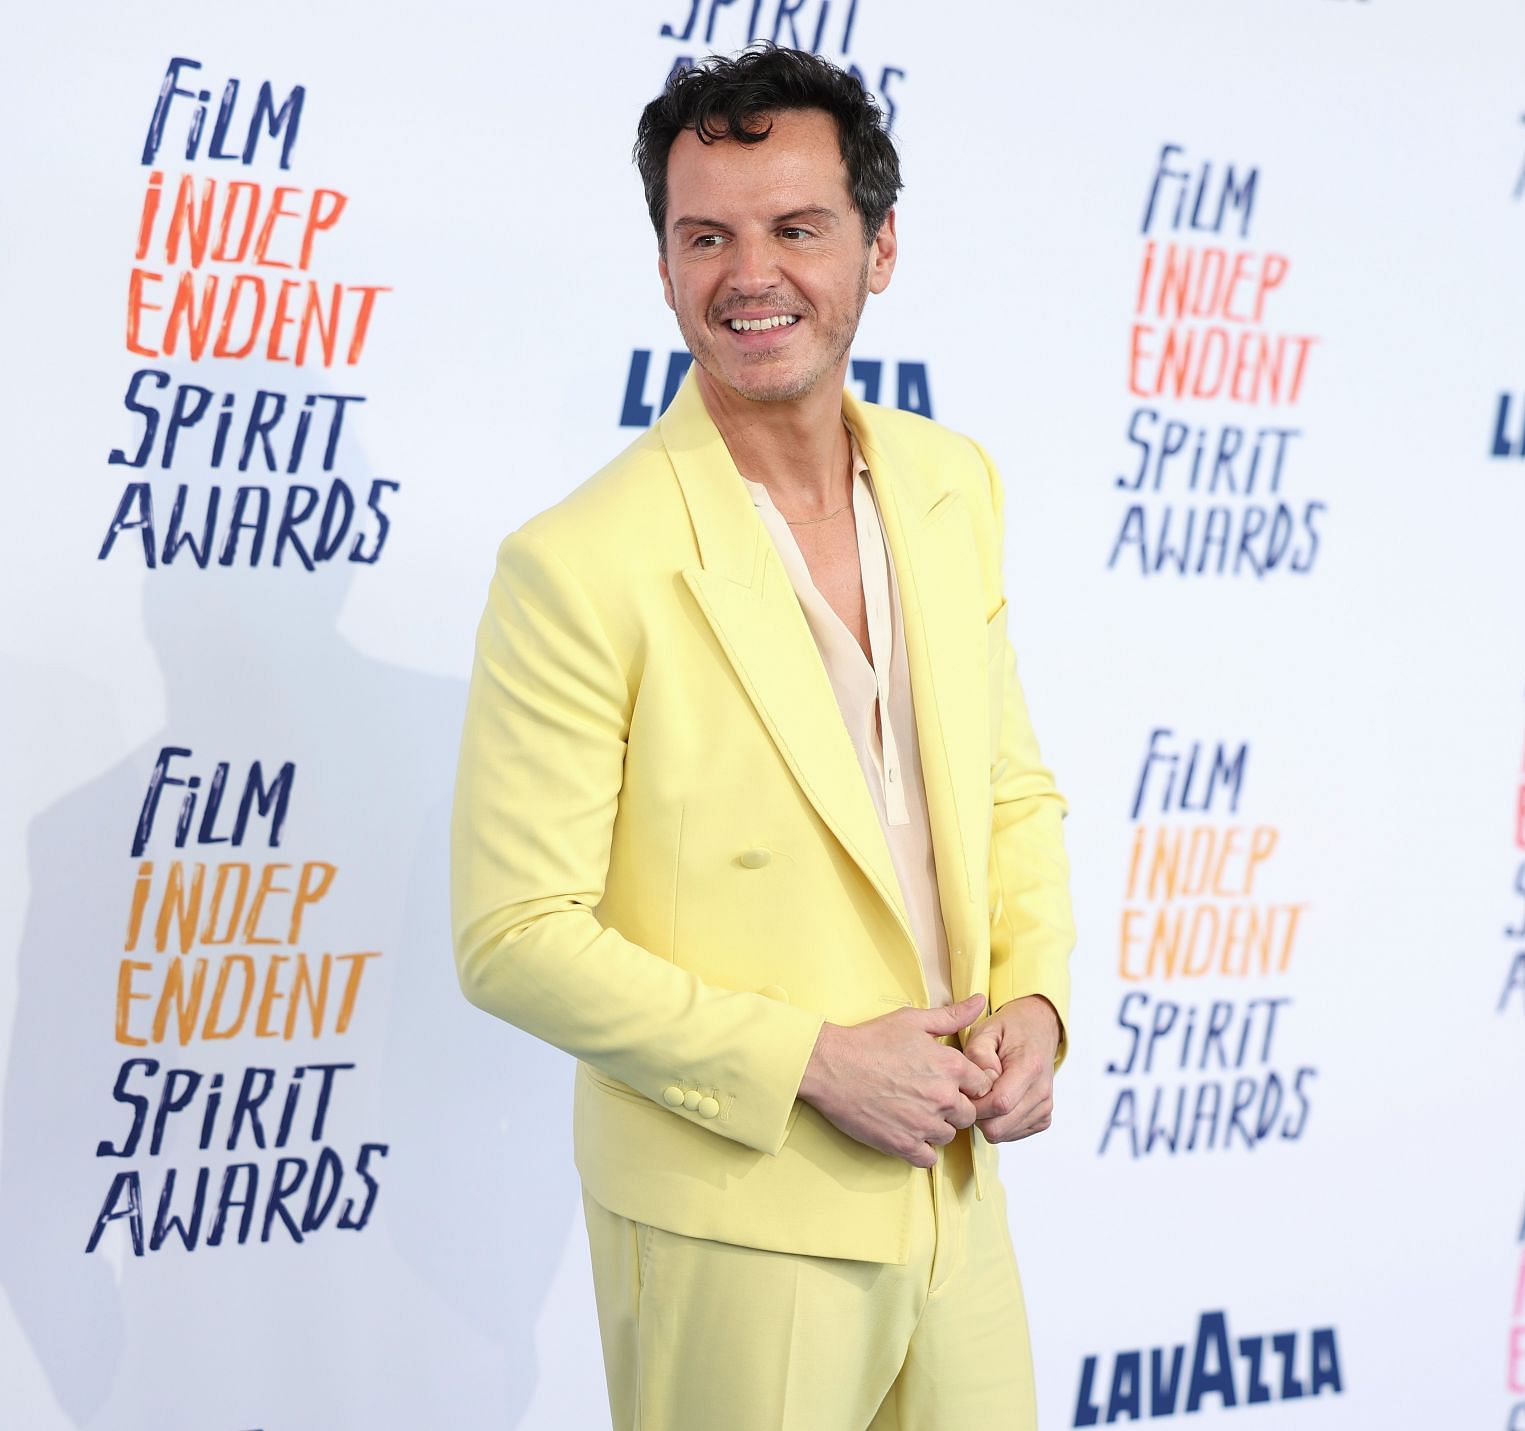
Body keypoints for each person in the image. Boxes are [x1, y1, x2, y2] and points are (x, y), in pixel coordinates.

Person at [448, 42, 1075, 1430]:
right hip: (735, 1215)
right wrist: (810, 1061)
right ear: (664, 264)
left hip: (955, 1190)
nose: (751, 274)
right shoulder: (578, 561)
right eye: (706, 236)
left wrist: (1037, 1000)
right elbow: (512, 933)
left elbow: (1011, 791)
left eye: (797, 228)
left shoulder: (949, 483)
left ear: (879, 246)